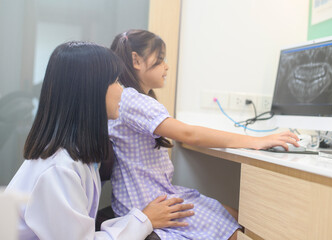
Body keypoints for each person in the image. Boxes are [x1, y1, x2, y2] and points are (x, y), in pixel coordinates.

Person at [108, 29, 300, 240]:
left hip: (150, 196)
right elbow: (189, 134)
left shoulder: (129, 99)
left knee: (232, 215)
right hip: (148, 203)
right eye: (161, 59)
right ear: (136, 60)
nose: (167, 66)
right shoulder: (132, 100)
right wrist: (256, 141)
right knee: (238, 228)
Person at [5, 41, 194, 240]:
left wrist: (142, 218)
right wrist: (144, 219)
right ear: (90, 90)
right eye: (115, 81)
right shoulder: (59, 170)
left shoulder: (77, 155)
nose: (122, 91)